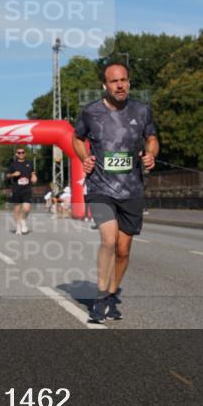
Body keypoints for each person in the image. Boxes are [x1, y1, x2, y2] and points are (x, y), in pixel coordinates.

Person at [73, 60, 158, 324]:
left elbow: (152, 138)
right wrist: (85, 156)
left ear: (129, 82)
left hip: (132, 188)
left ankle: (111, 294)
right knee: (109, 241)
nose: (120, 85)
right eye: (114, 81)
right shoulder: (91, 112)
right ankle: (100, 297)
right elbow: (77, 138)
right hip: (100, 187)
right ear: (105, 85)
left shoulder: (142, 111)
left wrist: (151, 155)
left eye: (123, 80)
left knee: (123, 249)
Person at [7, 147, 36, 234]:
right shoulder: (13, 164)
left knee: (27, 208)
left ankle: (23, 220)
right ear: (16, 154)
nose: (21, 154)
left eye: (22, 152)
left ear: (25, 153)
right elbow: (7, 175)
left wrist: (34, 176)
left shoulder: (29, 163)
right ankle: (18, 226)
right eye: (19, 153)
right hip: (16, 189)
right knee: (17, 209)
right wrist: (13, 174)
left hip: (27, 189)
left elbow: (33, 172)